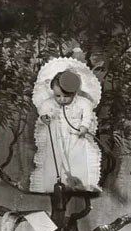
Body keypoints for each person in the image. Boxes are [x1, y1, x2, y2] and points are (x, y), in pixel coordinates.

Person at [30, 57, 102, 193]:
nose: (62, 99)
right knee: (55, 160)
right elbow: (43, 112)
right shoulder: (49, 103)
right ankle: (53, 185)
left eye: (66, 96)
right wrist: (44, 118)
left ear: (74, 92)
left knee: (76, 160)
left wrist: (84, 127)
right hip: (56, 137)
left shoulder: (83, 103)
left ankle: (78, 185)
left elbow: (88, 116)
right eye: (58, 96)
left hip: (75, 138)